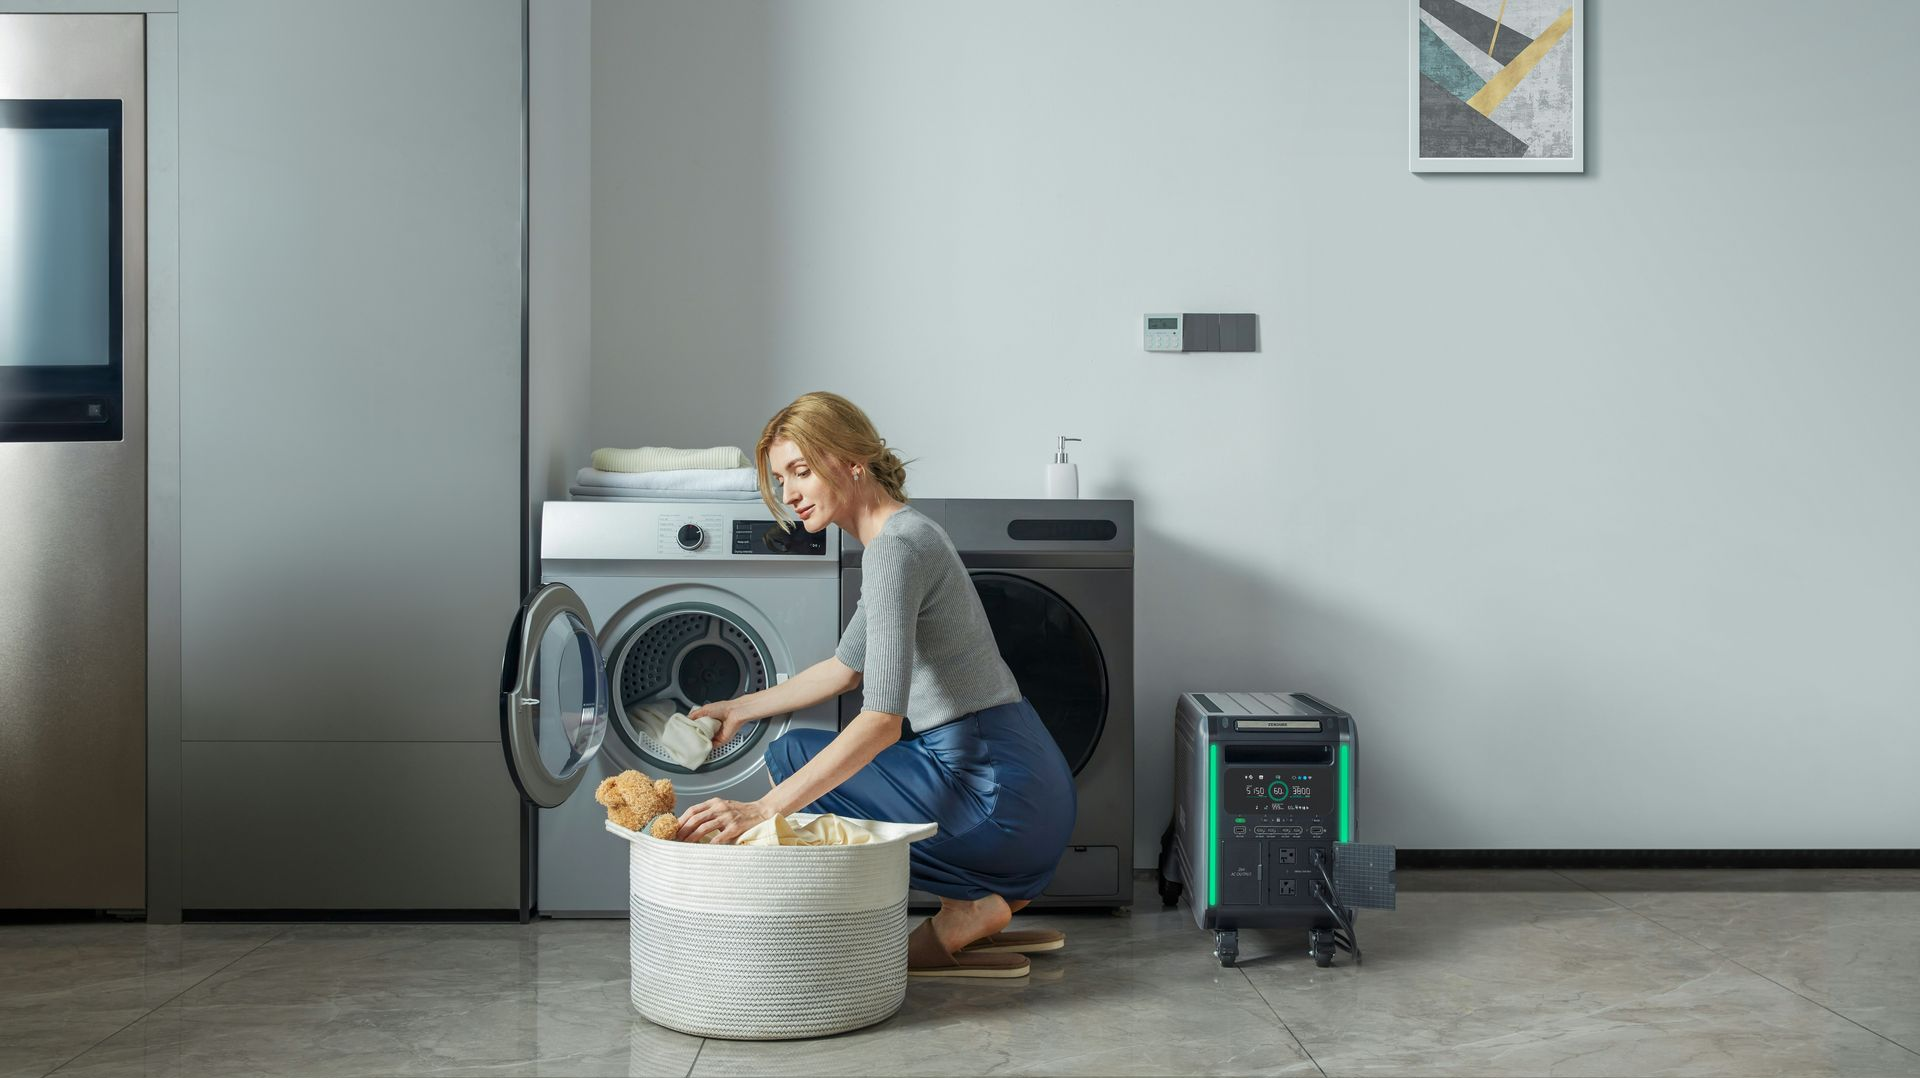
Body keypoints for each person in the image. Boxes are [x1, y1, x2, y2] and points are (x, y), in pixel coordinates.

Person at [673, 391, 1077, 979]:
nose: (787, 494)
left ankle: (968, 905)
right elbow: (845, 667)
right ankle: (985, 901)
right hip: (1028, 788)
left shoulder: (895, 550)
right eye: (780, 478)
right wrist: (739, 706)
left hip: (999, 802)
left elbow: (882, 722)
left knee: (791, 759)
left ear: (851, 461)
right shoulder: (906, 534)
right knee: (798, 751)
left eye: (801, 472)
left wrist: (760, 809)